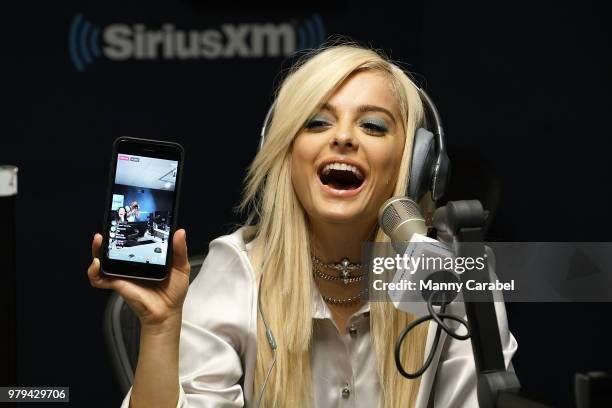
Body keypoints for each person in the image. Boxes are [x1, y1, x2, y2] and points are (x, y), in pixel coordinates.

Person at [87, 44, 517, 407]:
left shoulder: (455, 277)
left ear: (416, 166)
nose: (344, 137)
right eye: (316, 122)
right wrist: (161, 329)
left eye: (372, 125)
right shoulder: (235, 273)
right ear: (287, 155)